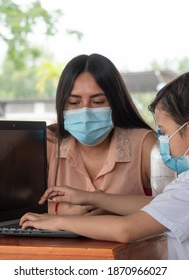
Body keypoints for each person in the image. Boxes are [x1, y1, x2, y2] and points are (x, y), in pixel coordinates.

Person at [20, 70, 189, 260]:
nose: (162, 141)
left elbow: (126, 230)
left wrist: (57, 222)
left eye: (165, 131)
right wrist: (94, 198)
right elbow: (158, 205)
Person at [46, 53, 158, 215]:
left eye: (98, 102)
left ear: (115, 102)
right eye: (74, 102)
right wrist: (64, 209)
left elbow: (174, 205)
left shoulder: (145, 145)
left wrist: (103, 204)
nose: (85, 112)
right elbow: (17, 208)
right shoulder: (49, 142)